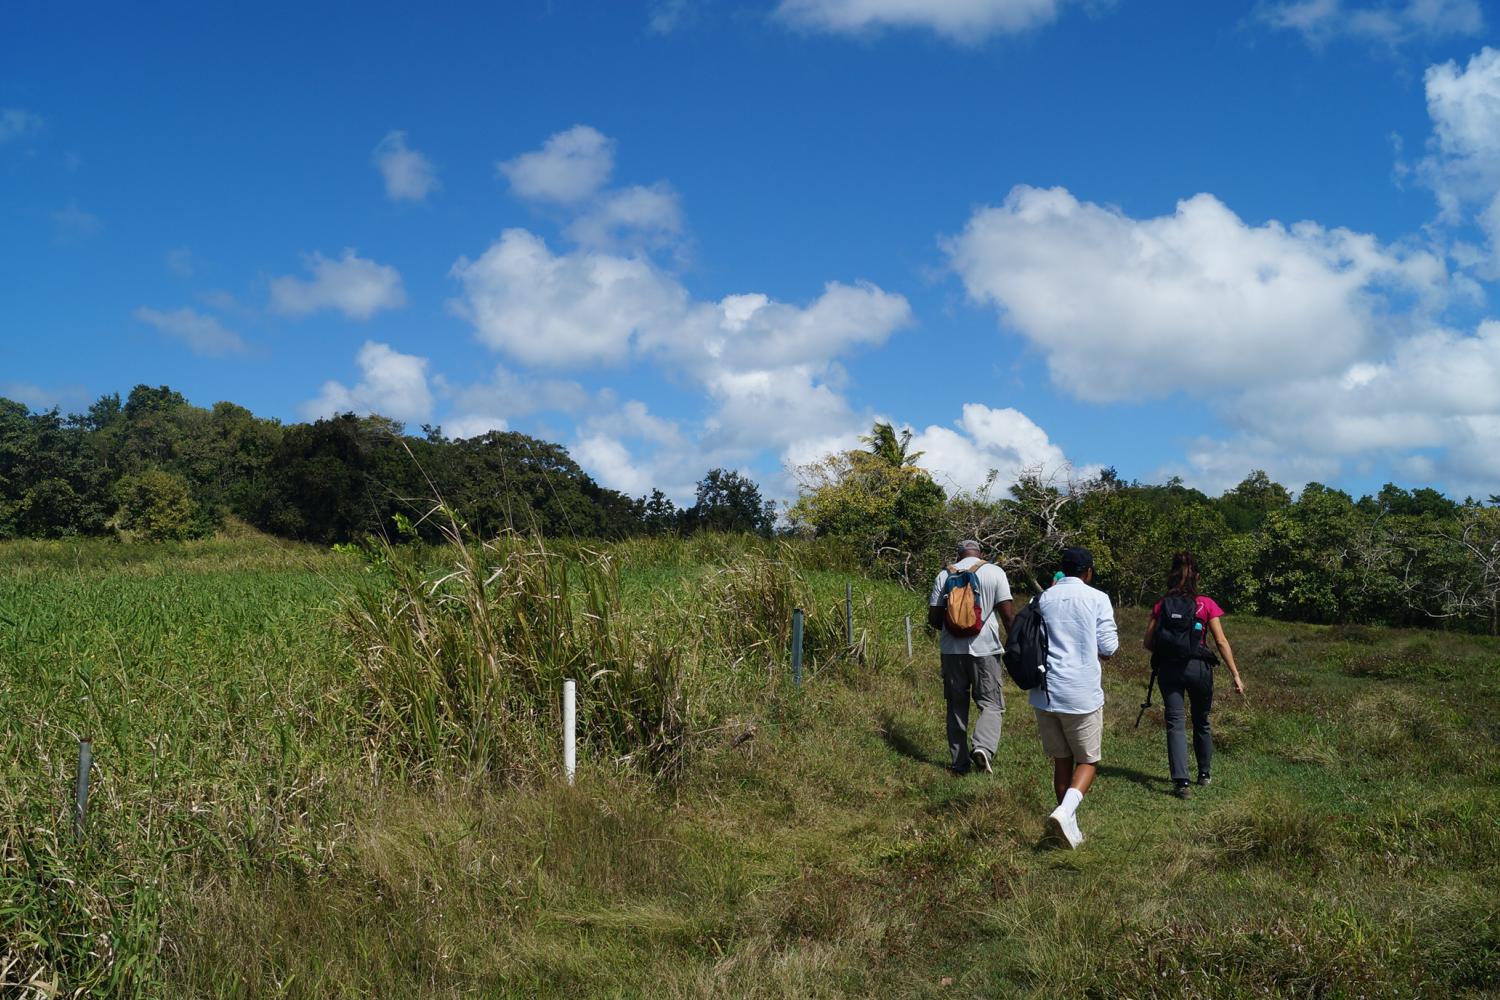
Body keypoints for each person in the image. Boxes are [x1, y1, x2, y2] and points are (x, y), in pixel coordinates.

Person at [1033, 546, 1118, 849]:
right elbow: (1108, 648)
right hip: (1080, 692)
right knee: (1088, 760)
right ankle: (1065, 812)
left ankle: (1069, 828)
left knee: (1061, 760)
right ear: (1088, 571)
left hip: (1044, 692)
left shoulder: (1042, 598)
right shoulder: (1098, 599)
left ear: (1063, 569)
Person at [1142, 551, 1245, 799]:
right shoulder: (1206, 604)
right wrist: (1236, 675)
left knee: (1175, 722)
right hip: (1199, 668)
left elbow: (1147, 642)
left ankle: (1181, 782)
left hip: (1169, 669)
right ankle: (1204, 774)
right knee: (1202, 720)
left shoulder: (1162, 604)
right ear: (1196, 577)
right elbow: (1220, 641)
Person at [927, 540, 1016, 775]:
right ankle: (983, 747)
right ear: (980, 554)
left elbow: (934, 618)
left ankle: (959, 763)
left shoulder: (944, 575)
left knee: (956, 706)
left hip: (951, 651)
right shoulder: (995, 572)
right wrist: (1016, 643)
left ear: (959, 555)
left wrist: (954, 627)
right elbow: (1007, 615)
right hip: (985, 649)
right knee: (991, 704)